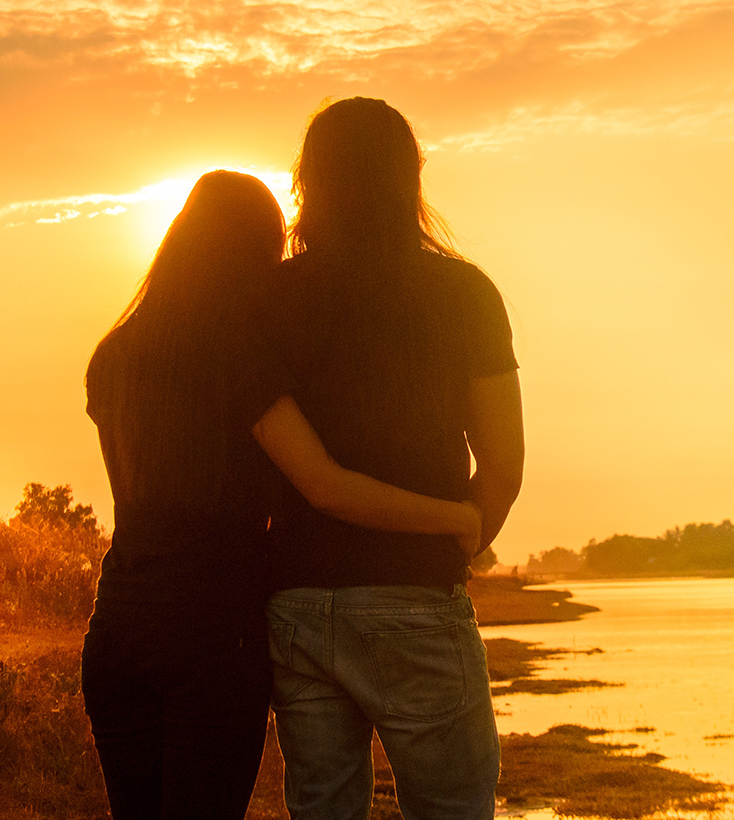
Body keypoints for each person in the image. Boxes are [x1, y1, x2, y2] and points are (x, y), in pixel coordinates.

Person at [82, 170, 482, 820]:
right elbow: (324, 485)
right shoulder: (235, 357)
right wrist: (454, 516)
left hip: (117, 627)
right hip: (211, 633)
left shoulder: (115, 356)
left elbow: (135, 492)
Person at [261, 98, 524, 820]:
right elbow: (503, 466)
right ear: (411, 176)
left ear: (308, 180)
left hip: (299, 601)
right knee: (453, 808)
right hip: (415, 593)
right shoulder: (464, 293)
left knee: (323, 808)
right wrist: (456, 542)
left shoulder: (271, 297)